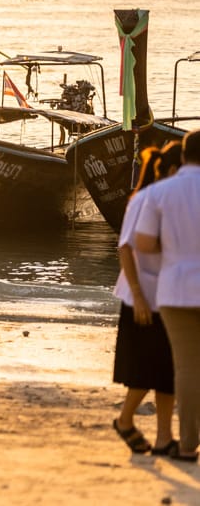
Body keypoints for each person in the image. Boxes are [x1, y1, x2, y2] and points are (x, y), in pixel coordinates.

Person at [113, 142, 182, 456]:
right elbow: (125, 248)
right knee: (146, 370)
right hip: (140, 296)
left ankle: (164, 437)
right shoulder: (143, 199)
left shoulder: (174, 200)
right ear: (170, 171)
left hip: (168, 294)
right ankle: (125, 420)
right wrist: (138, 296)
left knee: (168, 369)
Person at [135, 130, 200, 462]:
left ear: (184, 155)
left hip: (175, 288)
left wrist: (173, 250)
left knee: (187, 367)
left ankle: (188, 444)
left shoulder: (160, 192)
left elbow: (142, 243)